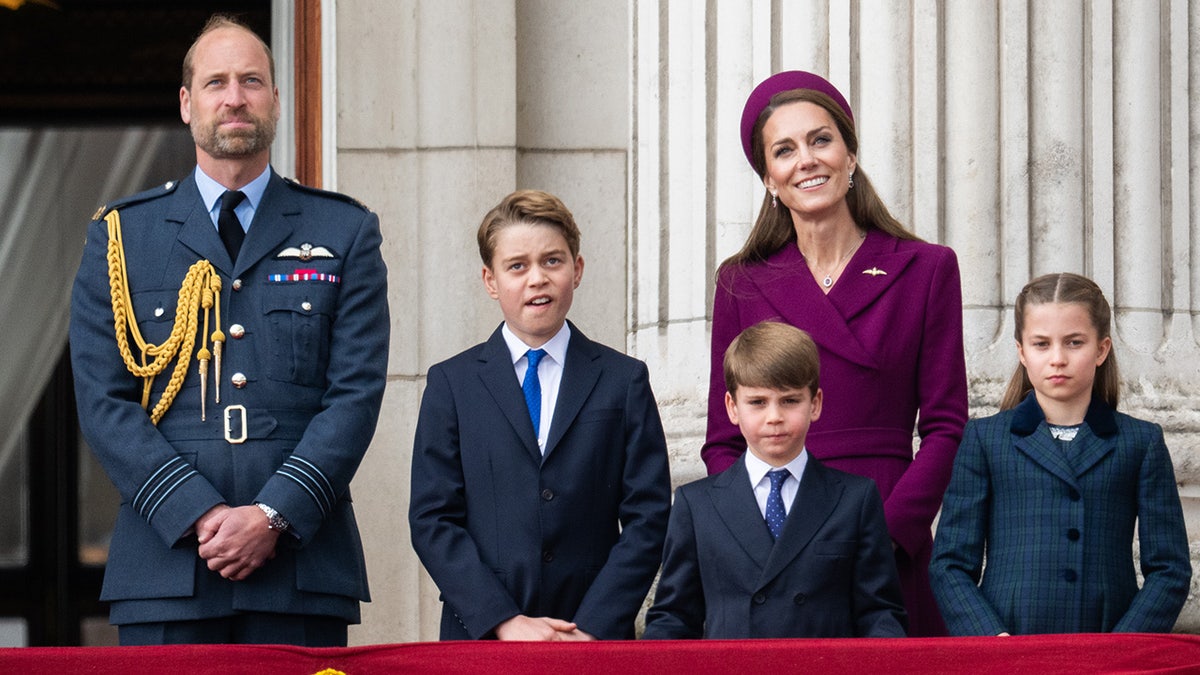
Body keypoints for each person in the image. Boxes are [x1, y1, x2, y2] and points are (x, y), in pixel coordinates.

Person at [68, 14, 389, 646]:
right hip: (166, 568)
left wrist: (273, 514)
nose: (234, 97)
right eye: (216, 83)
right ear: (187, 104)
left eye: (251, 81)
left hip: (299, 564)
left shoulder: (343, 232)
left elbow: (354, 395)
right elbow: (102, 401)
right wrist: (200, 512)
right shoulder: (122, 237)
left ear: (275, 98)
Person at [703, 70, 967, 635]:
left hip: (883, 528)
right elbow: (723, 439)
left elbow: (947, 427)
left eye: (821, 140)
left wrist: (885, 533)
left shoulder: (926, 268)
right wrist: (754, 536)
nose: (807, 160)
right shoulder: (740, 282)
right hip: (773, 544)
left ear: (850, 154)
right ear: (769, 177)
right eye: (784, 149)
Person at [408, 189, 672, 641]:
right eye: (517, 266)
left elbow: (648, 517)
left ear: (577, 269)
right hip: (483, 637)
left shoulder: (622, 380)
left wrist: (592, 627)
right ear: (491, 281)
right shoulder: (452, 384)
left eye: (552, 261)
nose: (537, 279)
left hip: (592, 637)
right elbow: (433, 519)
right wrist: (503, 621)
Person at [929, 273, 1191, 635]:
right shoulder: (985, 439)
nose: (1057, 359)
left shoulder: (1140, 442)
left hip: (1106, 647)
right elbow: (950, 563)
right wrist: (992, 640)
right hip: (1010, 645)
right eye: (1041, 344)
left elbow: (1170, 568)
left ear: (1101, 349)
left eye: (1074, 343)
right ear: (1021, 351)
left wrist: (1123, 646)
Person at [644, 321, 907, 639]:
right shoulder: (696, 505)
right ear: (732, 407)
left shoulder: (855, 498)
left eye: (790, 400)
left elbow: (879, 614)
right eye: (757, 402)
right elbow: (674, 617)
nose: (774, 417)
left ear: (816, 404)